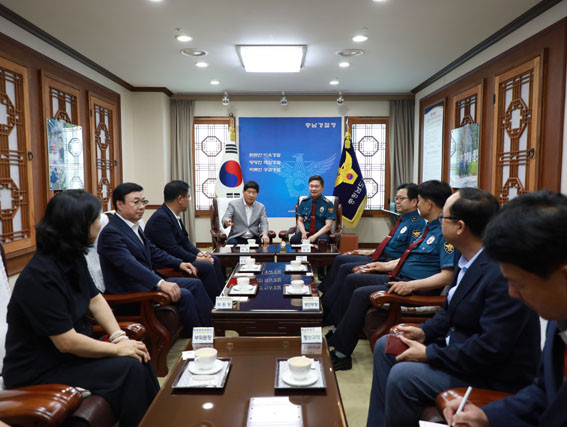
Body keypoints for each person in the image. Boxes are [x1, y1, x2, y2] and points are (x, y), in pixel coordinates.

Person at [366, 188, 541, 426]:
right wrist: (424, 332)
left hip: (487, 374)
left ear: (460, 227)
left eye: (443, 218)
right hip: (456, 350)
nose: (438, 222)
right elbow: (449, 310)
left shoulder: (501, 273)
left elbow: (490, 349)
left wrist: (429, 354)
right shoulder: (466, 258)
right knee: (386, 345)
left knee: (402, 376)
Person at [2, 190, 159, 427]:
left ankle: (157, 418)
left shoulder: (71, 257)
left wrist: (119, 337)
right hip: (39, 369)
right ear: (79, 226)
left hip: (68, 357)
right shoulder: (40, 276)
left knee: (138, 355)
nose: (101, 223)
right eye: (96, 219)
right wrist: (117, 350)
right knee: (129, 366)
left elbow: (95, 300)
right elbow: (66, 342)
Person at [443, 190, 567, 427]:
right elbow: (543, 392)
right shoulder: (558, 316)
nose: (512, 293)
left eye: (519, 284)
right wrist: (488, 415)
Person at [327, 180, 456, 370]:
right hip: (399, 278)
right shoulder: (429, 228)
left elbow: (447, 276)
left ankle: (341, 353)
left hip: (414, 287)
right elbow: (408, 257)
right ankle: (337, 329)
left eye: (420, 201)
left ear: (429, 204)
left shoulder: (444, 234)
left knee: (360, 293)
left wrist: (411, 285)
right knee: (353, 279)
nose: (418, 205)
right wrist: (383, 265)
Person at [98, 182, 212, 333]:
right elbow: (130, 265)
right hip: (130, 290)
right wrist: (160, 283)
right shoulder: (111, 233)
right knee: (184, 293)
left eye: (143, 202)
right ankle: (197, 337)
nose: (141, 207)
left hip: (145, 282)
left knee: (195, 284)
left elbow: (154, 251)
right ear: (119, 204)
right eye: (136, 202)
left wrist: (179, 264)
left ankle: (210, 329)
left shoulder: (133, 226)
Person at [320, 183, 425, 302]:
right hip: (380, 256)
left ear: (414, 202)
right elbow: (392, 245)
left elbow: (408, 253)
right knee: (340, 259)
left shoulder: (417, 224)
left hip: (388, 261)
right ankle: (325, 294)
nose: (397, 202)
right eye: (396, 198)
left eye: (401, 199)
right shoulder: (403, 219)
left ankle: (327, 301)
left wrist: (385, 265)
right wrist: (370, 251)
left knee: (345, 268)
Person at [145, 180, 224, 300]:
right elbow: (173, 249)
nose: (189, 200)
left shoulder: (172, 214)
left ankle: (223, 296)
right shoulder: (161, 218)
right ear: (180, 199)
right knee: (206, 266)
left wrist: (199, 253)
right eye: (188, 197)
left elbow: (185, 241)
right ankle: (216, 301)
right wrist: (196, 259)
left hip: (178, 257)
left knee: (215, 259)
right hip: (166, 263)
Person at [289, 175, 336, 244]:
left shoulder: (328, 204)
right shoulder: (304, 202)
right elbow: (300, 220)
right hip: (306, 232)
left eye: (316, 186)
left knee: (322, 241)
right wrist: (303, 232)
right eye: (311, 186)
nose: (313, 189)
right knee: (294, 240)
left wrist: (314, 236)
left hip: (321, 233)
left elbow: (328, 225)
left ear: (322, 187)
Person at [222, 180, 270, 245]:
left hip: (253, 237)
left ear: (257, 194)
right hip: (237, 236)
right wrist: (226, 221)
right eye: (249, 192)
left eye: (254, 192)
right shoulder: (233, 204)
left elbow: (264, 223)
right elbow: (226, 217)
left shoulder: (261, 207)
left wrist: (264, 234)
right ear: (243, 192)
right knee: (231, 244)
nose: (251, 195)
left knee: (264, 243)